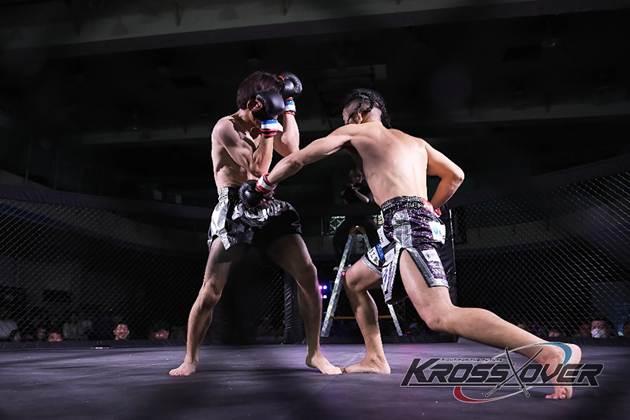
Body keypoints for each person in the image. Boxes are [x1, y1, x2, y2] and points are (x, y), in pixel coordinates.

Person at [241, 88, 582, 400]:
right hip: (399, 226)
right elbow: (455, 175)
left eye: (345, 117)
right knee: (354, 280)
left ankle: (547, 351)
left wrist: (263, 185)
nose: (344, 124)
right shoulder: (415, 142)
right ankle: (375, 357)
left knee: (439, 315)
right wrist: (432, 206)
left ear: (359, 113)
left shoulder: (356, 132)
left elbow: (298, 158)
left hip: (406, 224)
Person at [169, 71, 340, 376]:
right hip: (234, 205)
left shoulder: (266, 121)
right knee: (211, 289)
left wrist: (288, 109)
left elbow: (292, 150)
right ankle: (190, 359)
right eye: (271, 105)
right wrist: (269, 125)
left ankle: (314, 353)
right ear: (253, 103)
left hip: (267, 204)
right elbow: (258, 169)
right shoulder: (226, 127)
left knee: (308, 273)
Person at [332, 168, 379, 263]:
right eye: (354, 177)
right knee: (338, 237)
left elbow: (367, 200)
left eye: (359, 176)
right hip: (351, 218)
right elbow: (343, 202)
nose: (357, 179)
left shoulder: (367, 188)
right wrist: (345, 192)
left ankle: (376, 260)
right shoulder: (348, 189)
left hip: (365, 218)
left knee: (376, 237)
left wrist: (356, 192)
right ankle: (343, 261)